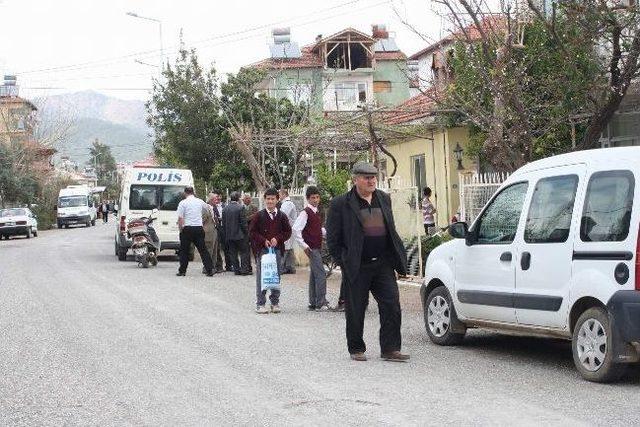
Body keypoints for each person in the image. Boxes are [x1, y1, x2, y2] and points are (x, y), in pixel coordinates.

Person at [326, 161, 410, 363]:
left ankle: (390, 348)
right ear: (355, 180)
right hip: (357, 264)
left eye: (373, 177)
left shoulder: (383, 198)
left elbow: (390, 228)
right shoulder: (340, 203)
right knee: (356, 307)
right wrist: (343, 260)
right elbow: (333, 238)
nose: (371, 180)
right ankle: (356, 348)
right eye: (366, 177)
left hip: (382, 264)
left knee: (391, 304)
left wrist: (395, 258)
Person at [249, 188, 291, 314]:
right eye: (268, 199)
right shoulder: (259, 215)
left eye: (273, 199)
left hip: (277, 250)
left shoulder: (282, 216)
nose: (270, 201)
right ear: (265, 200)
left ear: (277, 200)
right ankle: (260, 303)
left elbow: (287, 232)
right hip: (262, 251)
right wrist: (263, 240)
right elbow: (252, 232)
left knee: (275, 276)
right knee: (262, 276)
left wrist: (277, 239)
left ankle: (275, 302)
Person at [292, 185, 330, 311]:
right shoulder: (305, 213)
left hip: (316, 247)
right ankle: (321, 302)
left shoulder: (316, 212)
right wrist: (304, 246)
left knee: (314, 275)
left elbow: (318, 230)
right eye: (313, 198)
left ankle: (313, 302)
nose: (316, 200)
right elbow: (296, 229)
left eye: (317, 197)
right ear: (308, 199)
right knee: (321, 275)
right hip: (312, 248)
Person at [176, 186, 214, 277]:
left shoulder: (183, 203)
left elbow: (180, 218)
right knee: (203, 250)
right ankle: (210, 269)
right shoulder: (200, 201)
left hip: (187, 228)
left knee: (184, 250)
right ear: (193, 192)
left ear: (185, 193)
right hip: (198, 228)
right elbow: (206, 210)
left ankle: (182, 271)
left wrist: (181, 229)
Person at [222, 191, 251, 275]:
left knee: (233, 253)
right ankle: (244, 270)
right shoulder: (240, 208)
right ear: (238, 198)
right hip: (240, 234)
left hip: (229, 235)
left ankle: (236, 270)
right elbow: (243, 222)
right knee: (244, 252)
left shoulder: (225, 209)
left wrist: (226, 234)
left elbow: (224, 223)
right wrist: (246, 232)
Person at [278, 189, 298, 274]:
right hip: (290, 228)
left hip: (288, 228)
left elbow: (283, 216)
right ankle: (291, 267)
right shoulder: (287, 203)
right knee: (289, 248)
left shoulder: (287, 204)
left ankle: (281, 267)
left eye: (279, 194)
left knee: (285, 248)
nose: (278, 196)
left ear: (283, 194)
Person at [202, 193, 221, 274]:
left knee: (214, 250)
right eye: (214, 199)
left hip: (215, 231)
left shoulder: (214, 208)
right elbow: (202, 220)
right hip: (208, 232)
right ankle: (206, 267)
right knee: (209, 250)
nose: (216, 201)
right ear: (210, 200)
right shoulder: (205, 208)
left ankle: (212, 266)